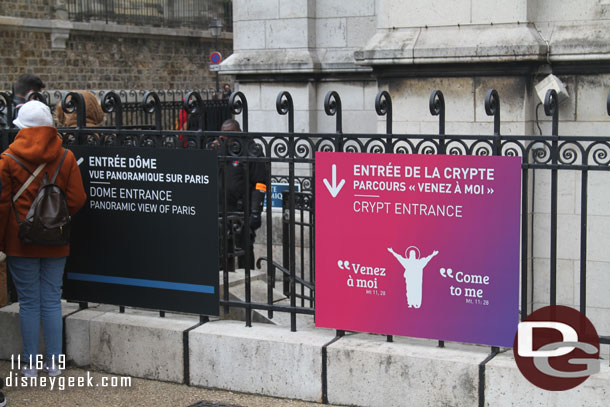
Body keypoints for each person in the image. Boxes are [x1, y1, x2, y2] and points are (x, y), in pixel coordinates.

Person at [0, 100, 87, 377]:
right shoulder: (66, 157)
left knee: (28, 302)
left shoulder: (7, 160)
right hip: (56, 238)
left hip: (19, 239)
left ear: (21, 128)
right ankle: (54, 365)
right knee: (51, 299)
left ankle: (30, 365)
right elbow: (76, 199)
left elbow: (2, 206)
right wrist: (54, 218)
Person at [216, 119, 268, 270]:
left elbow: (260, 184)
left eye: (227, 135)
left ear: (237, 132)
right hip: (221, 208)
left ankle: (248, 281)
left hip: (242, 210)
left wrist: (255, 211)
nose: (223, 138)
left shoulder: (252, 150)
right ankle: (226, 280)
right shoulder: (220, 149)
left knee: (244, 248)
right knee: (224, 249)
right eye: (221, 135)